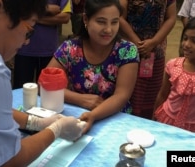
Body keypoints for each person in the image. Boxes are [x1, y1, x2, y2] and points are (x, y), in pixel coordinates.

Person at [0, 0, 83, 166]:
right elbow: (7, 161)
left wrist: (35, 122)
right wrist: (56, 129)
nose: (26, 42)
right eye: (29, 31)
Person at [47, 0, 140, 134]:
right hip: (76, 119)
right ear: (86, 19)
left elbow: (121, 96)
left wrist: (93, 115)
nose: (108, 29)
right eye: (101, 22)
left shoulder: (127, 51)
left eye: (114, 22)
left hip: (114, 123)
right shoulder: (70, 48)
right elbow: (45, 85)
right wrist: (81, 99)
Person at [119, 0, 176, 119]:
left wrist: (154, 42)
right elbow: (120, 17)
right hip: (129, 49)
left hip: (156, 50)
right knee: (129, 92)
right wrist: (138, 43)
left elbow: (171, 18)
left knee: (151, 94)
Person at [153, 16, 195, 134]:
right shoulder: (173, 65)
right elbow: (163, 95)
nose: (186, 44)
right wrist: (153, 119)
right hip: (168, 122)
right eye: (185, 38)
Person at [13, 0, 72, 89]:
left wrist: (32, 17)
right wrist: (46, 9)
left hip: (49, 51)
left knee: (47, 92)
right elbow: (15, 9)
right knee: (20, 92)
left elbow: (65, 17)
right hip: (23, 49)